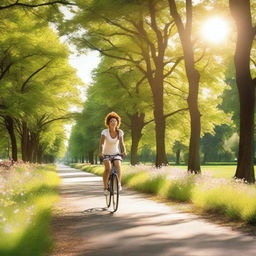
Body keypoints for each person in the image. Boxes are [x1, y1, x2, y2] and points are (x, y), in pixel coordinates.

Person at [98, 112, 127, 195]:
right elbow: (102, 144)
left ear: (117, 122)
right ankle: (105, 188)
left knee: (118, 164)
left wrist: (123, 151)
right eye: (111, 121)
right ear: (108, 123)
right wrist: (101, 152)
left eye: (115, 121)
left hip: (116, 153)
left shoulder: (120, 132)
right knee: (108, 168)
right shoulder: (105, 132)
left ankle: (118, 184)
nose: (113, 122)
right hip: (105, 154)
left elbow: (122, 143)